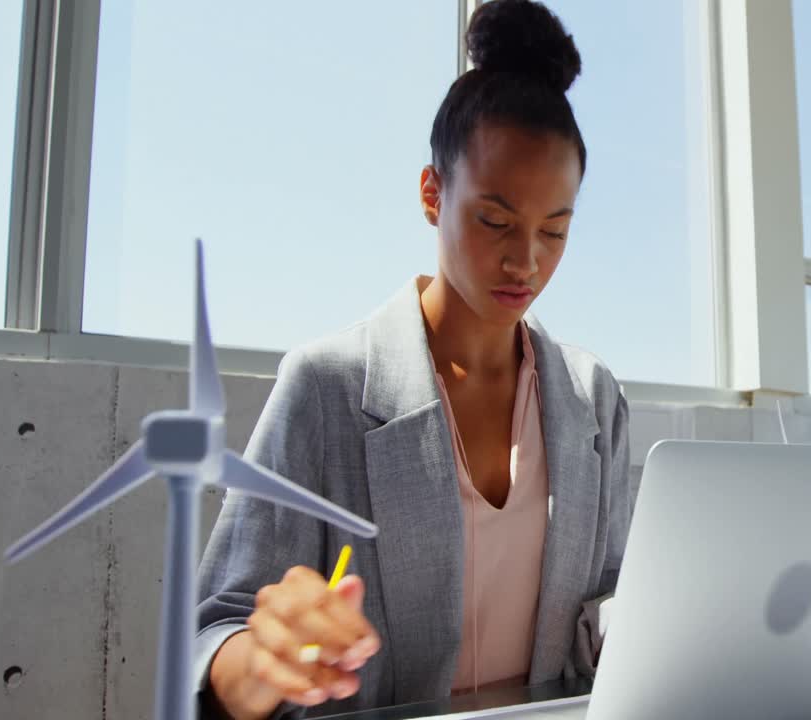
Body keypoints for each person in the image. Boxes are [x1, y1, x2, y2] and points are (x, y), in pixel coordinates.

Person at [194, 2, 633, 717]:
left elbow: (609, 606)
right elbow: (215, 632)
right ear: (433, 195)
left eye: (555, 231)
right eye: (494, 220)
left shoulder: (594, 398)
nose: (525, 260)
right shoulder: (327, 386)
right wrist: (265, 658)